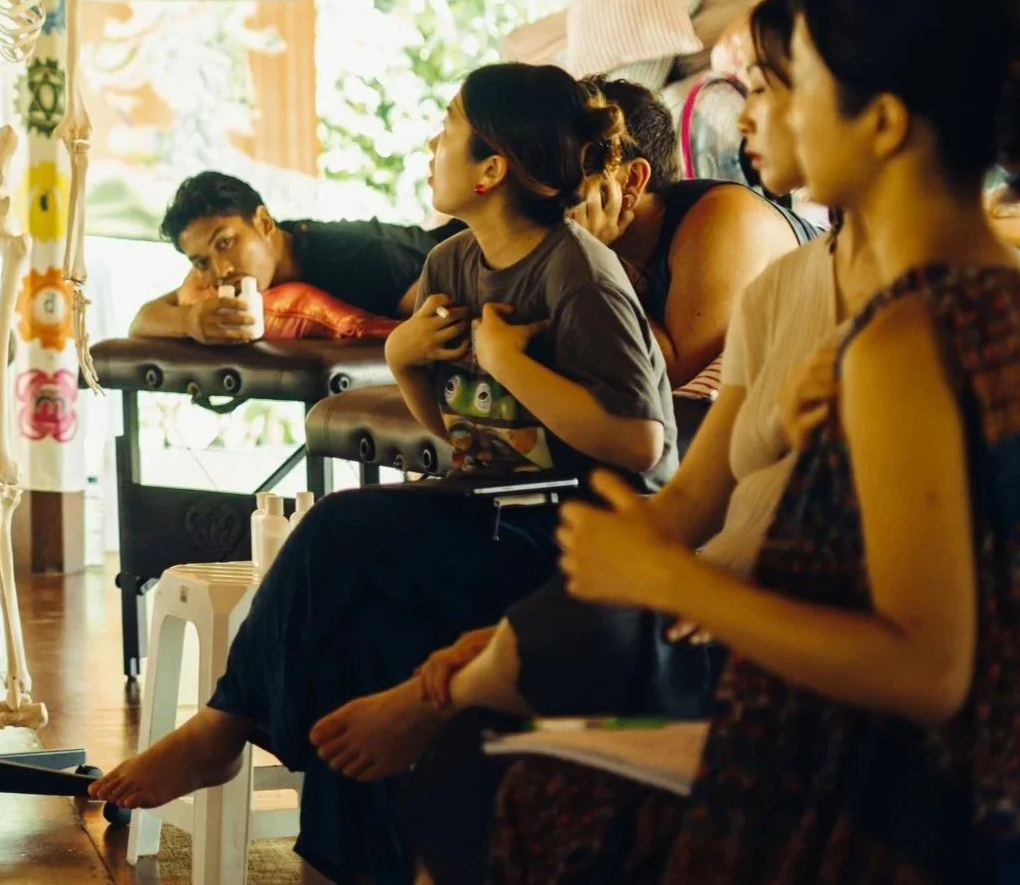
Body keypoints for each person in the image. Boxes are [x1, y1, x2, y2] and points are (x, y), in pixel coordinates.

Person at [298, 0, 879, 882]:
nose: (743, 112)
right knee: (412, 656)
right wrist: (408, 357)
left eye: (768, 86)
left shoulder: (890, 311)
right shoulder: (783, 291)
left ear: (881, 112)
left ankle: (445, 691)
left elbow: (651, 449)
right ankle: (357, 754)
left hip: (767, 663)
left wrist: (630, 600)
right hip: (692, 591)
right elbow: (691, 504)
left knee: (480, 712)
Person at [483, 0, 1020, 884]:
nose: (751, 113)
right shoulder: (975, 310)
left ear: (885, 123)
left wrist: (672, 584)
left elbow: (925, 670)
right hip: (940, 775)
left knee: (524, 794)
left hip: (890, 805)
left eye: (793, 83)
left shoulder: (908, 338)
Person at [93, 62, 678, 885]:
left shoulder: (576, 276)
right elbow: (467, 438)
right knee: (360, 636)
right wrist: (405, 363)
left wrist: (506, 361)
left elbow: (638, 443)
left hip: (585, 539)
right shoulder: (452, 265)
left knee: (340, 526)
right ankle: (349, 863)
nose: (430, 140)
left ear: (490, 167)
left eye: (446, 125)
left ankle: (225, 726)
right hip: (497, 508)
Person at [570, 77, 814, 390]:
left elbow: (669, 379)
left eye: (567, 166)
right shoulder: (612, 243)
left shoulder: (722, 218)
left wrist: (590, 259)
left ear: (632, 181)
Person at [129, 170, 463, 344]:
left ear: (262, 222)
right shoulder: (228, 276)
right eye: (201, 261)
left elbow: (452, 315)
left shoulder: (352, 259)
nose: (220, 270)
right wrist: (189, 322)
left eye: (225, 242)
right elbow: (143, 319)